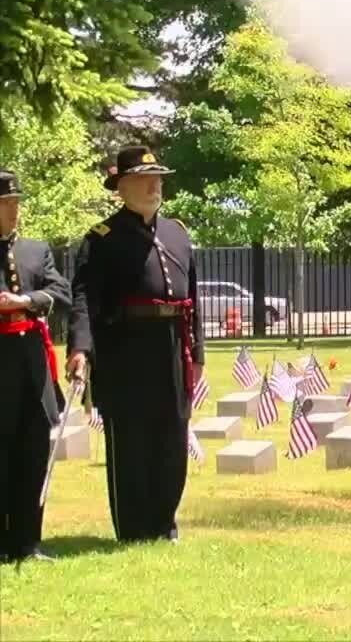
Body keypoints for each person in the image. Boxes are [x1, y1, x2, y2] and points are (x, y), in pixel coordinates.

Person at [66, 147, 204, 544]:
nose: (153, 186)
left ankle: (165, 523)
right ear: (122, 187)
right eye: (144, 179)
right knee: (132, 441)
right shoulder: (101, 239)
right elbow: (84, 300)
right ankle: (133, 527)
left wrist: (198, 354)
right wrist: (80, 348)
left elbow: (193, 300)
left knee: (171, 436)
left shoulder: (177, 232)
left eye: (158, 178)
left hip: (171, 347)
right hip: (125, 350)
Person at [0, 170, 71, 564]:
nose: (14, 211)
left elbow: (58, 291)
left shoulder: (35, 250)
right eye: (6, 204)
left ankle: (28, 542)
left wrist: (24, 301)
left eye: (16, 203)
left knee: (31, 453)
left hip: (31, 365)